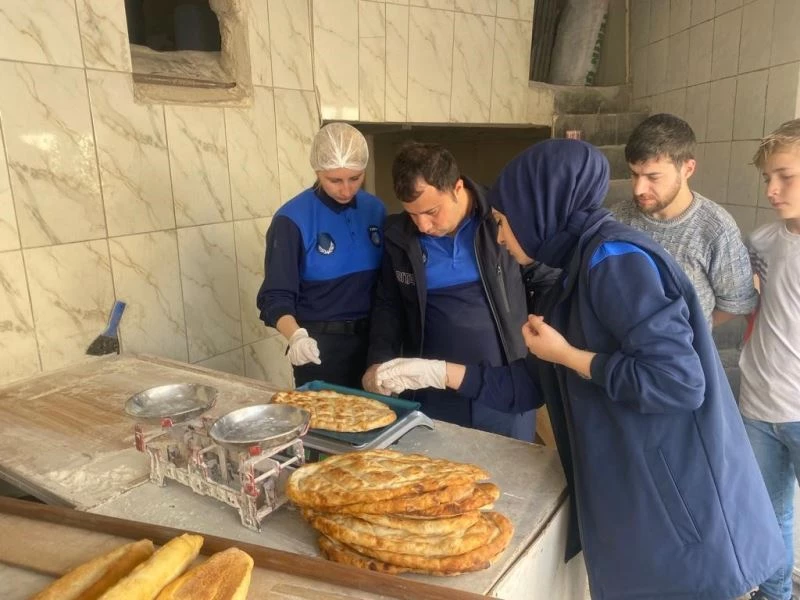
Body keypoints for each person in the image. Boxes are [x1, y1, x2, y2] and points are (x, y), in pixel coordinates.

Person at [485, 138, 782, 599]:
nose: (501, 237)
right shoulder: (575, 266)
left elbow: (677, 382)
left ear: (535, 208)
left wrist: (569, 356)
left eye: (503, 223)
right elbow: (536, 383)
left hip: (679, 514)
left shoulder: (614, 260)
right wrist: (439, 373)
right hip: (643, 502)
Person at [362, 141, 537, 441]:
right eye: (412, 214)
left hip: (504, 387)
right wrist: (377, 362)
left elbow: (543, 281)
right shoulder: (400, 238)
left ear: (457, 188)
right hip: (434, 391)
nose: (423, 225)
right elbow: (388, 307)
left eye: (431, 212)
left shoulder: (503, 218)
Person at [256, 122, 386, 388]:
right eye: (335, 180)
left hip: (375, 345)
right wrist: (297, 337)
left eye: (355, 178)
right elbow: (275, 297)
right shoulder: (292, 219)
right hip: (321, 350)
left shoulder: (376, 210)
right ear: (317, 170)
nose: (346, 189)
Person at [613, 113, 757, 327]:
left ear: (688, 169)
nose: (639, 189)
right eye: (634, 174)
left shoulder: (715, 228)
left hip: (681, 357)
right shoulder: (618, 218)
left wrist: (690, 336)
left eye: (653, 177)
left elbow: (737, 302)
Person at [738, 119, 800, 600]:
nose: (772, 190)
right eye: (767, 178)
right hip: (758, 407)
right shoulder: (763, 240)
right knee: (769, 514)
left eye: (785, 176)